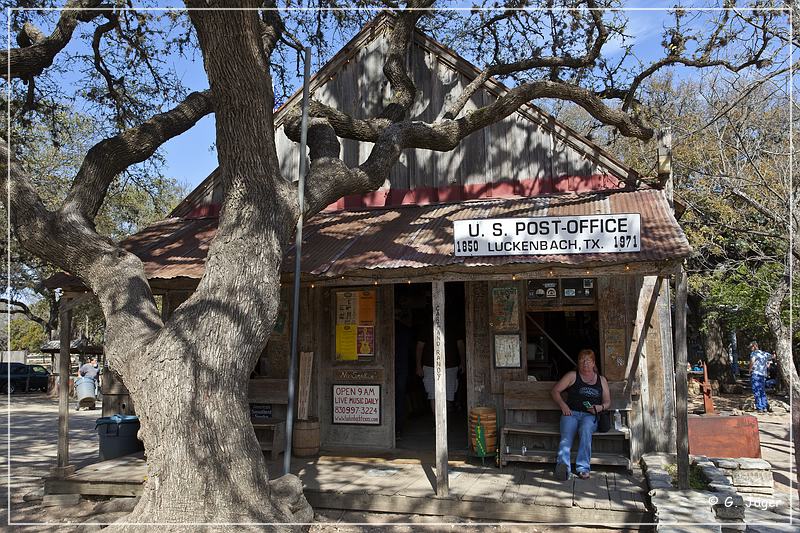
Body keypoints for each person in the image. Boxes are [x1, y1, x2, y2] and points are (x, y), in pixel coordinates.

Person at [550, 348, 611, 480]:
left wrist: (599, 407)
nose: (585, 363)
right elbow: (555, 391)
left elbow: (607, 402)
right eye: (582, 360)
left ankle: (583, 468)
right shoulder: (572, 376)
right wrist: (563, 405)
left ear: (594, 363)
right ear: (578, 363)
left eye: (588, 360)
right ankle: (563, 467)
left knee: (586, 429)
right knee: (566, 436)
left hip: (590, 416)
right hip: (571, 413)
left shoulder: (601, 380)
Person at [415, 313, 465, 414]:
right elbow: (419, 347)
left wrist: (463, 362)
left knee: (448, 395)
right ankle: (436, 423)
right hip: (430, 366)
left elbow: (461, 346)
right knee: (433, 395)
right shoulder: (427, 326)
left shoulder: (453, 326)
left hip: (450, 366)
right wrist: (418, 366)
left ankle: (443, 422)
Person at [394, 310, 415, 439]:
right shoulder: (406, 331)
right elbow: (411, 351)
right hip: (402, 367)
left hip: (394, 367)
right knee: (399, 398)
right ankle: (398, 430)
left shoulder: (383, 328)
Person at [748, 341, 773, 412]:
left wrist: (749, 370)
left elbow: (752, 361)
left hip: (755, 373)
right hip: (763, 374)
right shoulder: (765, 353)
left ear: (754, 346)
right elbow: (773, 356)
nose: (751, 349)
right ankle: (764, 406)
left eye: (751, 347)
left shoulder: (754, 353)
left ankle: (760, 407)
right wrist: (768, 363)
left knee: (756, 390)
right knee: (762, 390)